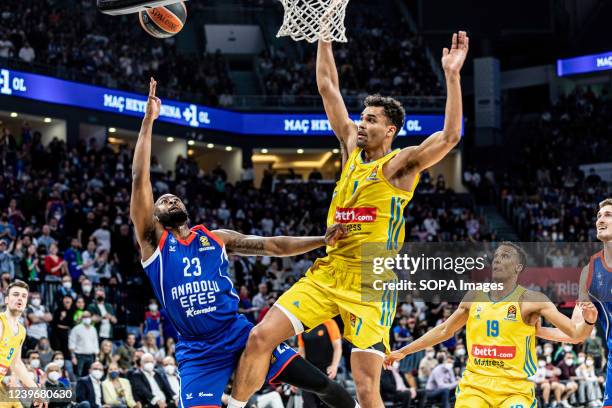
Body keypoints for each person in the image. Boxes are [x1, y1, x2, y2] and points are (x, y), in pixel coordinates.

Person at [231, 31, 469, 408]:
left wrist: (452, 76)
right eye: (361, 117)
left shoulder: (400, 165)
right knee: (261, 336)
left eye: (370, 120)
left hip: (371, 283)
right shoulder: (350, 147)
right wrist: (324, 37)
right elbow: (327, 87)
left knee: (365, 387)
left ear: (389, 130)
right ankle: (235, 406)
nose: (360, 124)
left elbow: (451, 135)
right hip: (329, 271)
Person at [130, 79, 356, 408]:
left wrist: (321, 240)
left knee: (322, 384)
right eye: (163, 201)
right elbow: (140, 179)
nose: (170, 200)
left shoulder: (216, 238)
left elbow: (273, 246)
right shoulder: (153, 244)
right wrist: (148, 122)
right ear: (156, 216)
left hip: (237, 334)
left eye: (175, 198)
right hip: (198, 351)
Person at [385, 242, 598, 408]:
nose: (497, 259)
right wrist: (403, 351)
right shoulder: (474, 296)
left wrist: (588, 318)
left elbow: (576, 333)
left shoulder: (531, 299)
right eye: (496, 256)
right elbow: (444, 330)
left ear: (518, 267)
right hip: (475, 387)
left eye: (505, 256)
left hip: (514, 389)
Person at [536, 198, 612, 407]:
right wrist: (535, 330)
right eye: (598, 216)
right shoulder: (589, 272)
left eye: (608, 215)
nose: (600, 220)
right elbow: (576, 334)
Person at [0, 280, 45, 406]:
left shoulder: (21, 331)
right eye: (15, 294)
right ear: (6, 300)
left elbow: (16, 364)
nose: (20, 298)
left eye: (23, 296)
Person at [297, 319, 342, 408]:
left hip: (327, 372)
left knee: (328, 405)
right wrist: (297, 374)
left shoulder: (329, 322)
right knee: (308, 405)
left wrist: (334, 366)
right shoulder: (302, 327)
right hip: (309, 373)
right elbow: (301, 353)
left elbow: (337, 347)